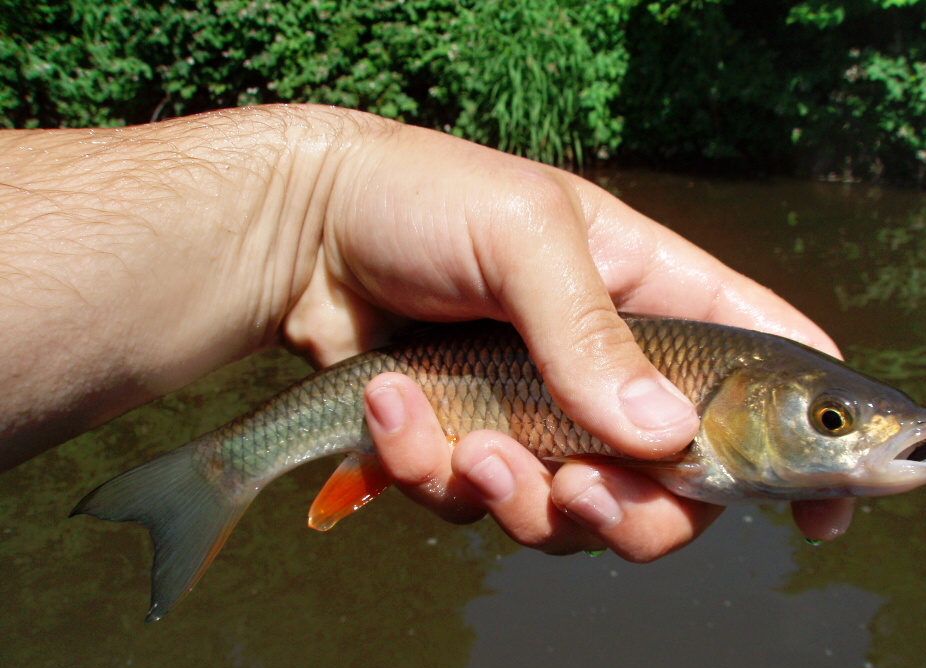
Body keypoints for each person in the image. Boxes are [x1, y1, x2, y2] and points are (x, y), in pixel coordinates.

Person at [0, 104, 852, 559]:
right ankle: (221, 472)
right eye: (830, 421)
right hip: (413, 368)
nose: (839, 437)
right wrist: (318, 211)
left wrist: (317, 214)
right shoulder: (682, 404)